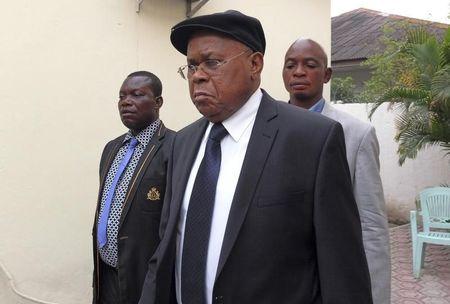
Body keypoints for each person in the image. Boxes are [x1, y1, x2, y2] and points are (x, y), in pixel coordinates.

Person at [139, 10, 372, 304]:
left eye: (212, 62)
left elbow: (342, 270)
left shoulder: (312, 139)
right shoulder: (182, 143)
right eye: (191, 65)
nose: (198, 75)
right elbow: (166, 250)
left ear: (255, 63)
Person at [282, 38, 391, 304]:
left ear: (327, 75)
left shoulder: (357, 134)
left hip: (331, 275)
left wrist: (374, 294)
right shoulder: (265, 128)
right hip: (278, 277)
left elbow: (371, 223)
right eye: (290, 65)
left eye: (310, 65)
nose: (298, 72)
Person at [92, 71, 175, 304]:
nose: (126, 102)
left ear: (158, 102)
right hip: (106, 273)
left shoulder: (173, 147)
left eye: (137, 95)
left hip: (144, 277)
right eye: (122, 97)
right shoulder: (112, 148)